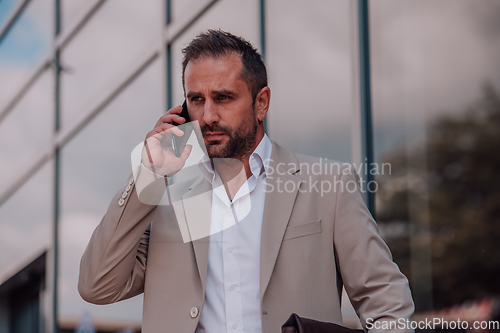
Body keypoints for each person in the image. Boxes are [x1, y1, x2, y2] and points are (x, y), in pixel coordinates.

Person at [78, 29, 414, 333]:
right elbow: (98, 285)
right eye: (196, 100)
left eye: (223, 98)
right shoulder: (172, 194)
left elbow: (386, 302)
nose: (208, 115)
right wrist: (147, 176)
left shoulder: (327, 185)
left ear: (261, 103)